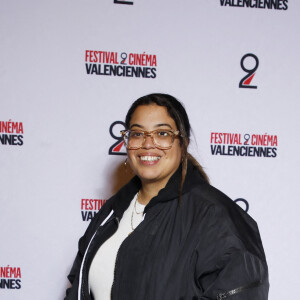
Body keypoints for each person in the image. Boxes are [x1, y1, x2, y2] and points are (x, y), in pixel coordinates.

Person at [65, 93, 269, 300]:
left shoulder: (214, 215)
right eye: (137, 133)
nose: (147, 144)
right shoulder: (111, 212)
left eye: (162, 133)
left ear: (183, 142)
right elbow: (76, 289)